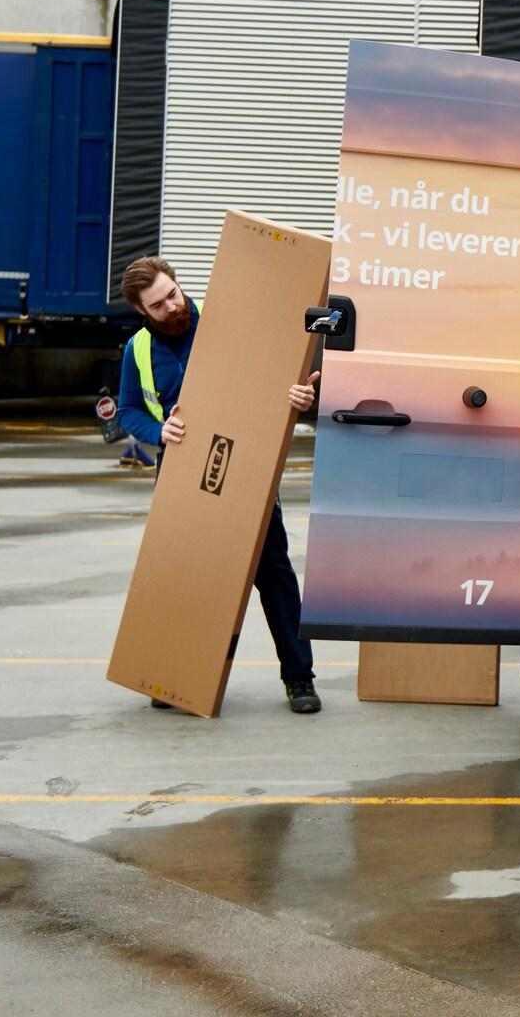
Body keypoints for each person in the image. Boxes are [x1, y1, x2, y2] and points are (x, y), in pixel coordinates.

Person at [116, 255, 322, 714]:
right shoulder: (138, 350)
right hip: (181, 468)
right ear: (141, 311)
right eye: (158, 305)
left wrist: (300, 395)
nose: (172, 307)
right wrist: (157, 431)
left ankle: (299, 678)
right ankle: (175, 677)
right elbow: (128, 408)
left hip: (246, 461)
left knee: (273, 572)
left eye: (173, 295)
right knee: (185, 574)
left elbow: (278, 376)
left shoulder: (228, 321)